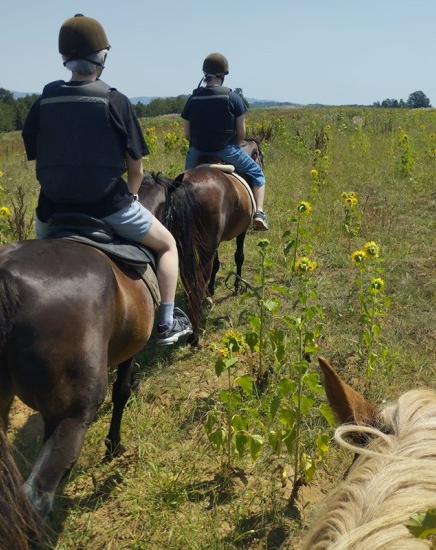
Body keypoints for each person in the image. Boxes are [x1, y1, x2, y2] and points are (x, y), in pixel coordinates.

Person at [22, 13, 192, 346]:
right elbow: (136, 171)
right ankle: (167, 322)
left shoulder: (43, 101)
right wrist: (128, 198)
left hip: (52, 210)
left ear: (65, 59)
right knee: (168, 244)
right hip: (107, 206)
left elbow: (39, 156)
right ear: (101, 57)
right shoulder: (115, 100)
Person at [181, 52, 269, 231]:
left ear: (205, 74)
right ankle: (259, 213)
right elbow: (241, 135)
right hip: (226, 150)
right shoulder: (233, 98)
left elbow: (187, 135)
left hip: (197, 151)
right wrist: (234, 144)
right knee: (258, 174)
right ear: (223, 74)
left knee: (183, 183)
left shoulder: (192, 99)